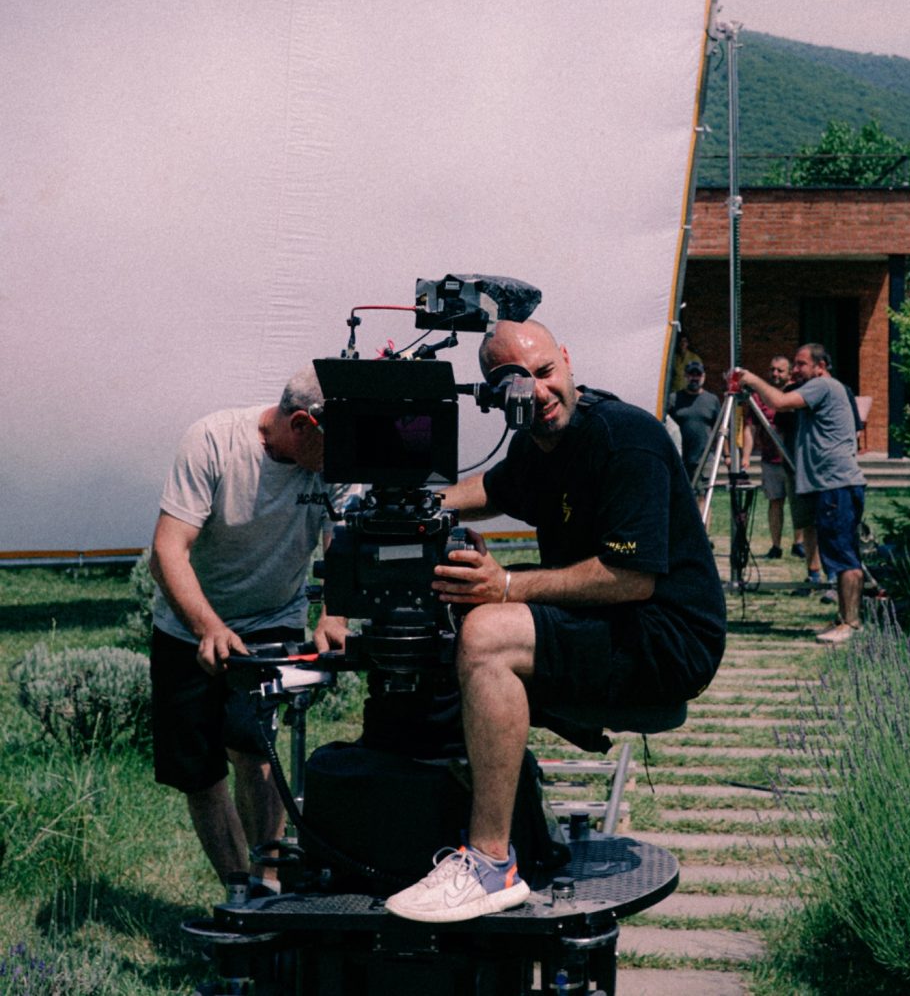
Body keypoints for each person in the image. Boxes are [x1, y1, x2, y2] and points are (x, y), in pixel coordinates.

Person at [383, 319, 726, 924]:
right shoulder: (537, 446)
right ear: (495, 396)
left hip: (666, 638)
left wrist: (506, 586)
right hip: (612, 619)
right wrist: (404, 505)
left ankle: (490, 864)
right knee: (454, 618)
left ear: (566, 361)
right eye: (517, 384)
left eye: (545, 373)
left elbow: (632, 578)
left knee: (488, 636)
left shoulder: (626, 438)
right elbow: (492, 489)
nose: (538, 393)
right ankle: (496, 822)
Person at [148, 367, 355, 893]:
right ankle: (237, 891)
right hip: (186, 623)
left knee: (254, 745)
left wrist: (334, 614)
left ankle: (268, 885)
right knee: (199, 772)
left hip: (272, 617)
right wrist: (208, 627)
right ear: (303, 425)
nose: (344, 455)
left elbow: (343, 547)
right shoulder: (213, 441)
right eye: (334, 443)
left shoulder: (337, 462)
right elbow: (167, 550)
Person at [733, 343, 866, 644]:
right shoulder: (824, 389)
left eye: (801, 364)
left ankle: (851, 623)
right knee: (840, 555)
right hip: (832, 485)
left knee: (844, 557)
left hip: (836, 484)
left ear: (820, 366)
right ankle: (843, 618)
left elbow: (779, 402)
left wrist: (750, 379)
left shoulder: (822, 386)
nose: (795, 370)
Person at [741, 355, 792, 559]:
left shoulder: (795, 393)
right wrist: (745, 456)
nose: (775, 374)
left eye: (780, 370)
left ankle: (799, 544)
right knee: (775, 502)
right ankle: (776, 545)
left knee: (798, 503)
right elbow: (750, 428)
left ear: (789, 373)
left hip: (793, 459)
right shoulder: (759, 397)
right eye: (772, 370)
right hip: (771, 459)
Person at [667, 358, 722, 500]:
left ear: (704, 376)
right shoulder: (673, 399)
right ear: (685, 376)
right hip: (679, 458)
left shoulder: (712, 400)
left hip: (704, 459)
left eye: (698, 374)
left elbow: (721, 429)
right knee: (681, 499)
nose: (695, 378)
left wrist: (727, 456)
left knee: (704, 498)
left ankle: (702, 516)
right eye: (691, 374)